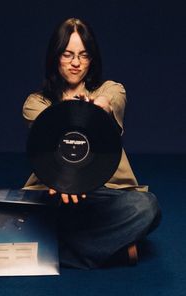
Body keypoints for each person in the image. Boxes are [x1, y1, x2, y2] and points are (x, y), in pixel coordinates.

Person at [22, 18, 161, 269]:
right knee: (26, 215)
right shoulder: (36, 103)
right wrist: (63, 180)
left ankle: (51, 250)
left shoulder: (111, 90)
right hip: (56, 193)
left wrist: (101, 107)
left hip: (104, 195)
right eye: (67, 54)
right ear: (55, 57)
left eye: (83, 55)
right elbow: (48, 133)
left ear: (92, 59)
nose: (76, 63)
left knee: (146, 207)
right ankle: (114, 251)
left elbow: (112, 100)